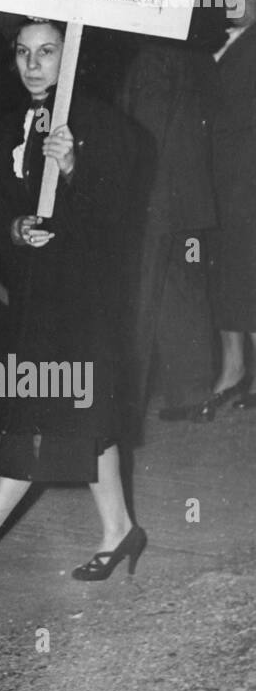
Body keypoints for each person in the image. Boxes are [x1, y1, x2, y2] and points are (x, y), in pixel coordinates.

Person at [0, 18, 145, 593]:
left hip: (85, 302)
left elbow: (123, 218)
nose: (33, 64)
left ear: (70, 55)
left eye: (47, 51)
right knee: (81, 411)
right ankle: (120, 529)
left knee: (37, 414)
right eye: (24, 53)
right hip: (34, 298)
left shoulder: (105, 124)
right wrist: (14, 226)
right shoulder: (6, 129)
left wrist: (76, 167)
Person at [115, 37, 218, 426]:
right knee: (183, 294)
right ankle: (191, 394)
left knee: (140, 296)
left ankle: (126, 410)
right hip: (190, 202)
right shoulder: (197, 55)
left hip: (156, 197)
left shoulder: (154, 56)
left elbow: (145, 132)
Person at [205, 0, 256, 416]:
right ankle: (235, 370)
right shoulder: (224, 44)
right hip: (225, 177)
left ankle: (239, 374)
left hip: (247, 177)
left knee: (247, 268)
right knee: (229, 271)